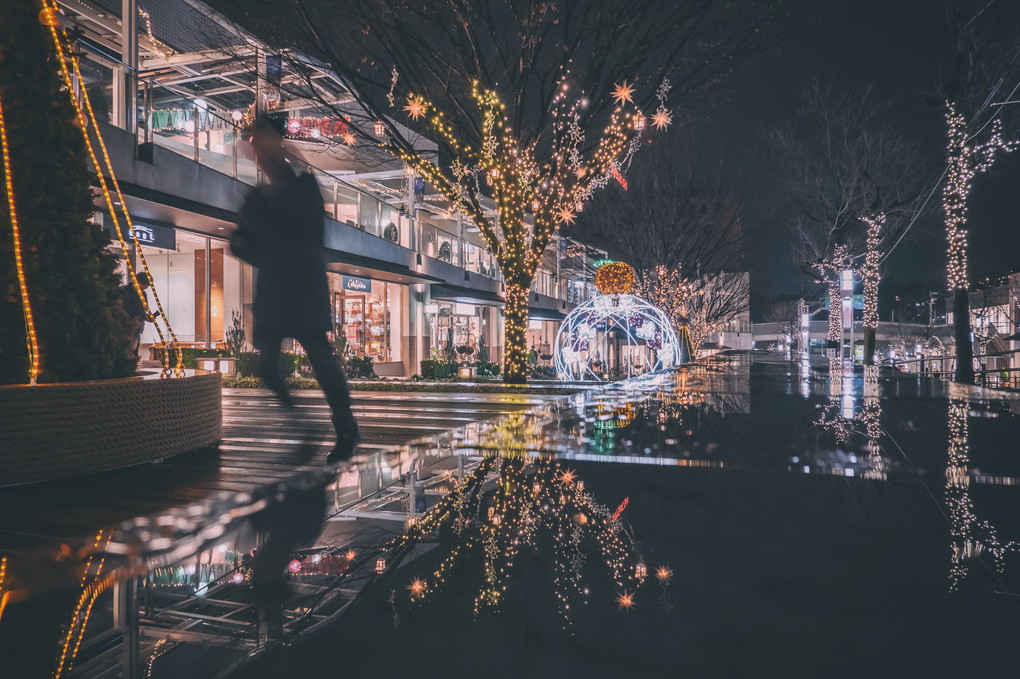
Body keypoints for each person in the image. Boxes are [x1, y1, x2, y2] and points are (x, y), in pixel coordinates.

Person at [230, 116, 360, 463]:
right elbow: (243, 244)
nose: (259, 151)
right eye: (257, 144)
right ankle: (307, 426)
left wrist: (258, 235)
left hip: (301, 289)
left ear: (281, 147)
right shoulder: (260, 197)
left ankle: (345, 429)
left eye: (264, 142)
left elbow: (303, 234)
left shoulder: (302, 189)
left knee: (322, 363)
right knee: (268, 368)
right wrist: (250, 240)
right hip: (275, 291)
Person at [123, 272, 151, 360]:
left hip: (138, 327)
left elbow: (144, 310)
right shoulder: (125, 292)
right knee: (126, 349)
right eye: (145, 285)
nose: (146, 288)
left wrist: (148, 317)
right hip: (126, 327)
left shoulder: (143, 294)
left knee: (135, 348)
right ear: (139, 282)